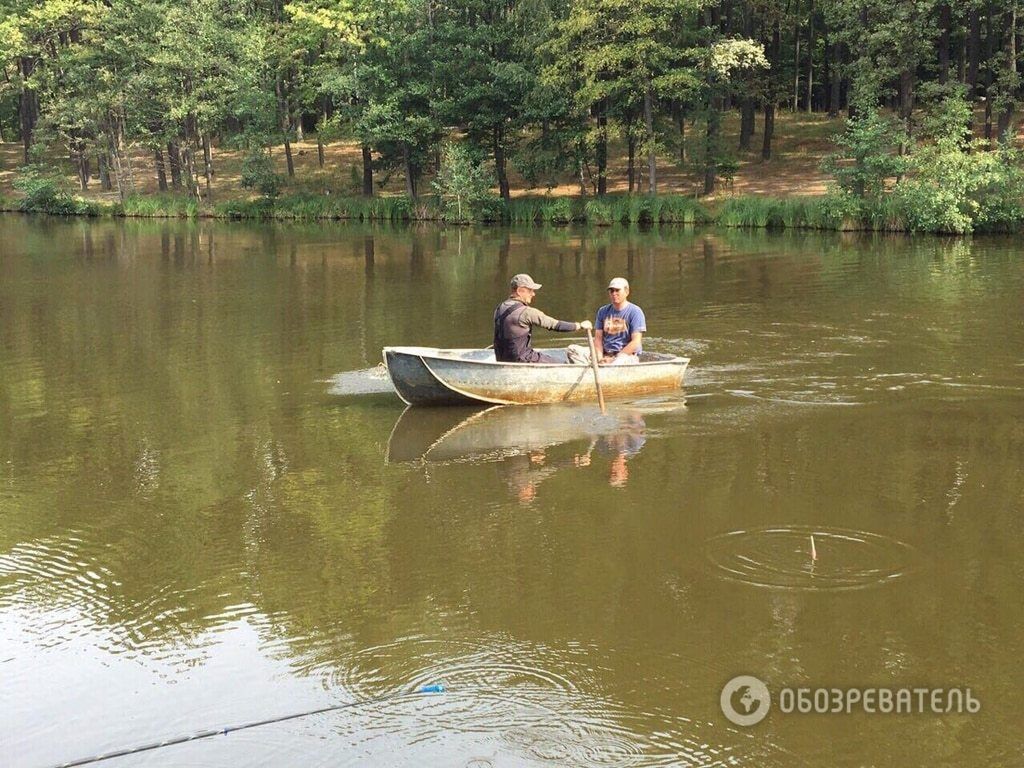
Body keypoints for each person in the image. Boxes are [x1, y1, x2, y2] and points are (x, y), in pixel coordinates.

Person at [494, 274, 592, 363]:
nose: (533, 294)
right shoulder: (527, 312)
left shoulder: (499, 308)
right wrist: (579, 325)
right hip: (522, 360)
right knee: (563, 364)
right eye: (530, 290)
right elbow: (555, 325)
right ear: (520, 290)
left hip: (501, 359)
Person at [594, 277, 646, 365]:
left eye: (617, 290)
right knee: (573, 350)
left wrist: (614, 359)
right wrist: (600, 359)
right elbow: (598, 339)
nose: (614, 293)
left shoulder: (635, 312)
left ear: (627, 292)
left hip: (626, 355)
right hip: (606, 354)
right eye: (611, 291)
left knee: (618, 362)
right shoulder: (602, 311)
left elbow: (636, 342)